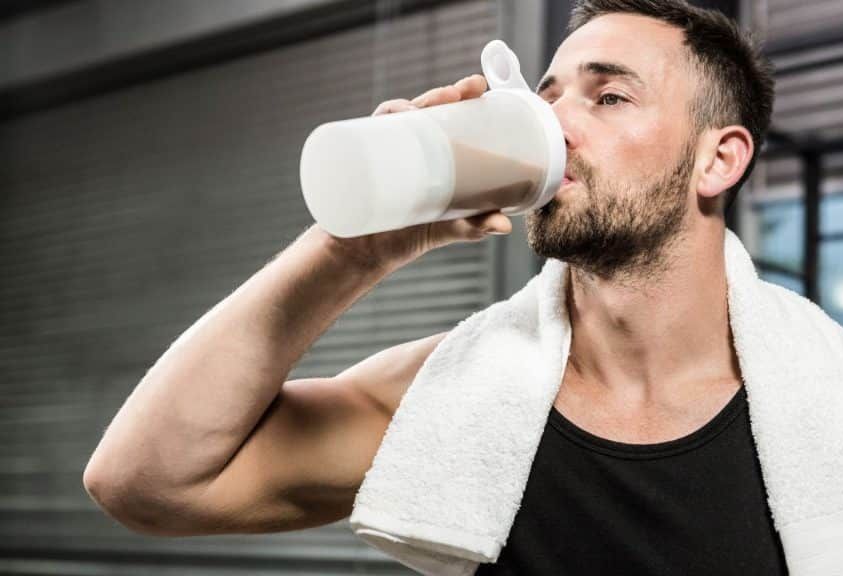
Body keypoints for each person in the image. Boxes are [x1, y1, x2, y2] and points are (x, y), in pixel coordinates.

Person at [83, 0, 780, 573]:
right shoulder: (459, 393)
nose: (558, 126)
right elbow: (146, 484)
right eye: (548, 98)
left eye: (610, 96)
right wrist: (352, 248)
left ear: (718, 160)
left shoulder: (838, 415)